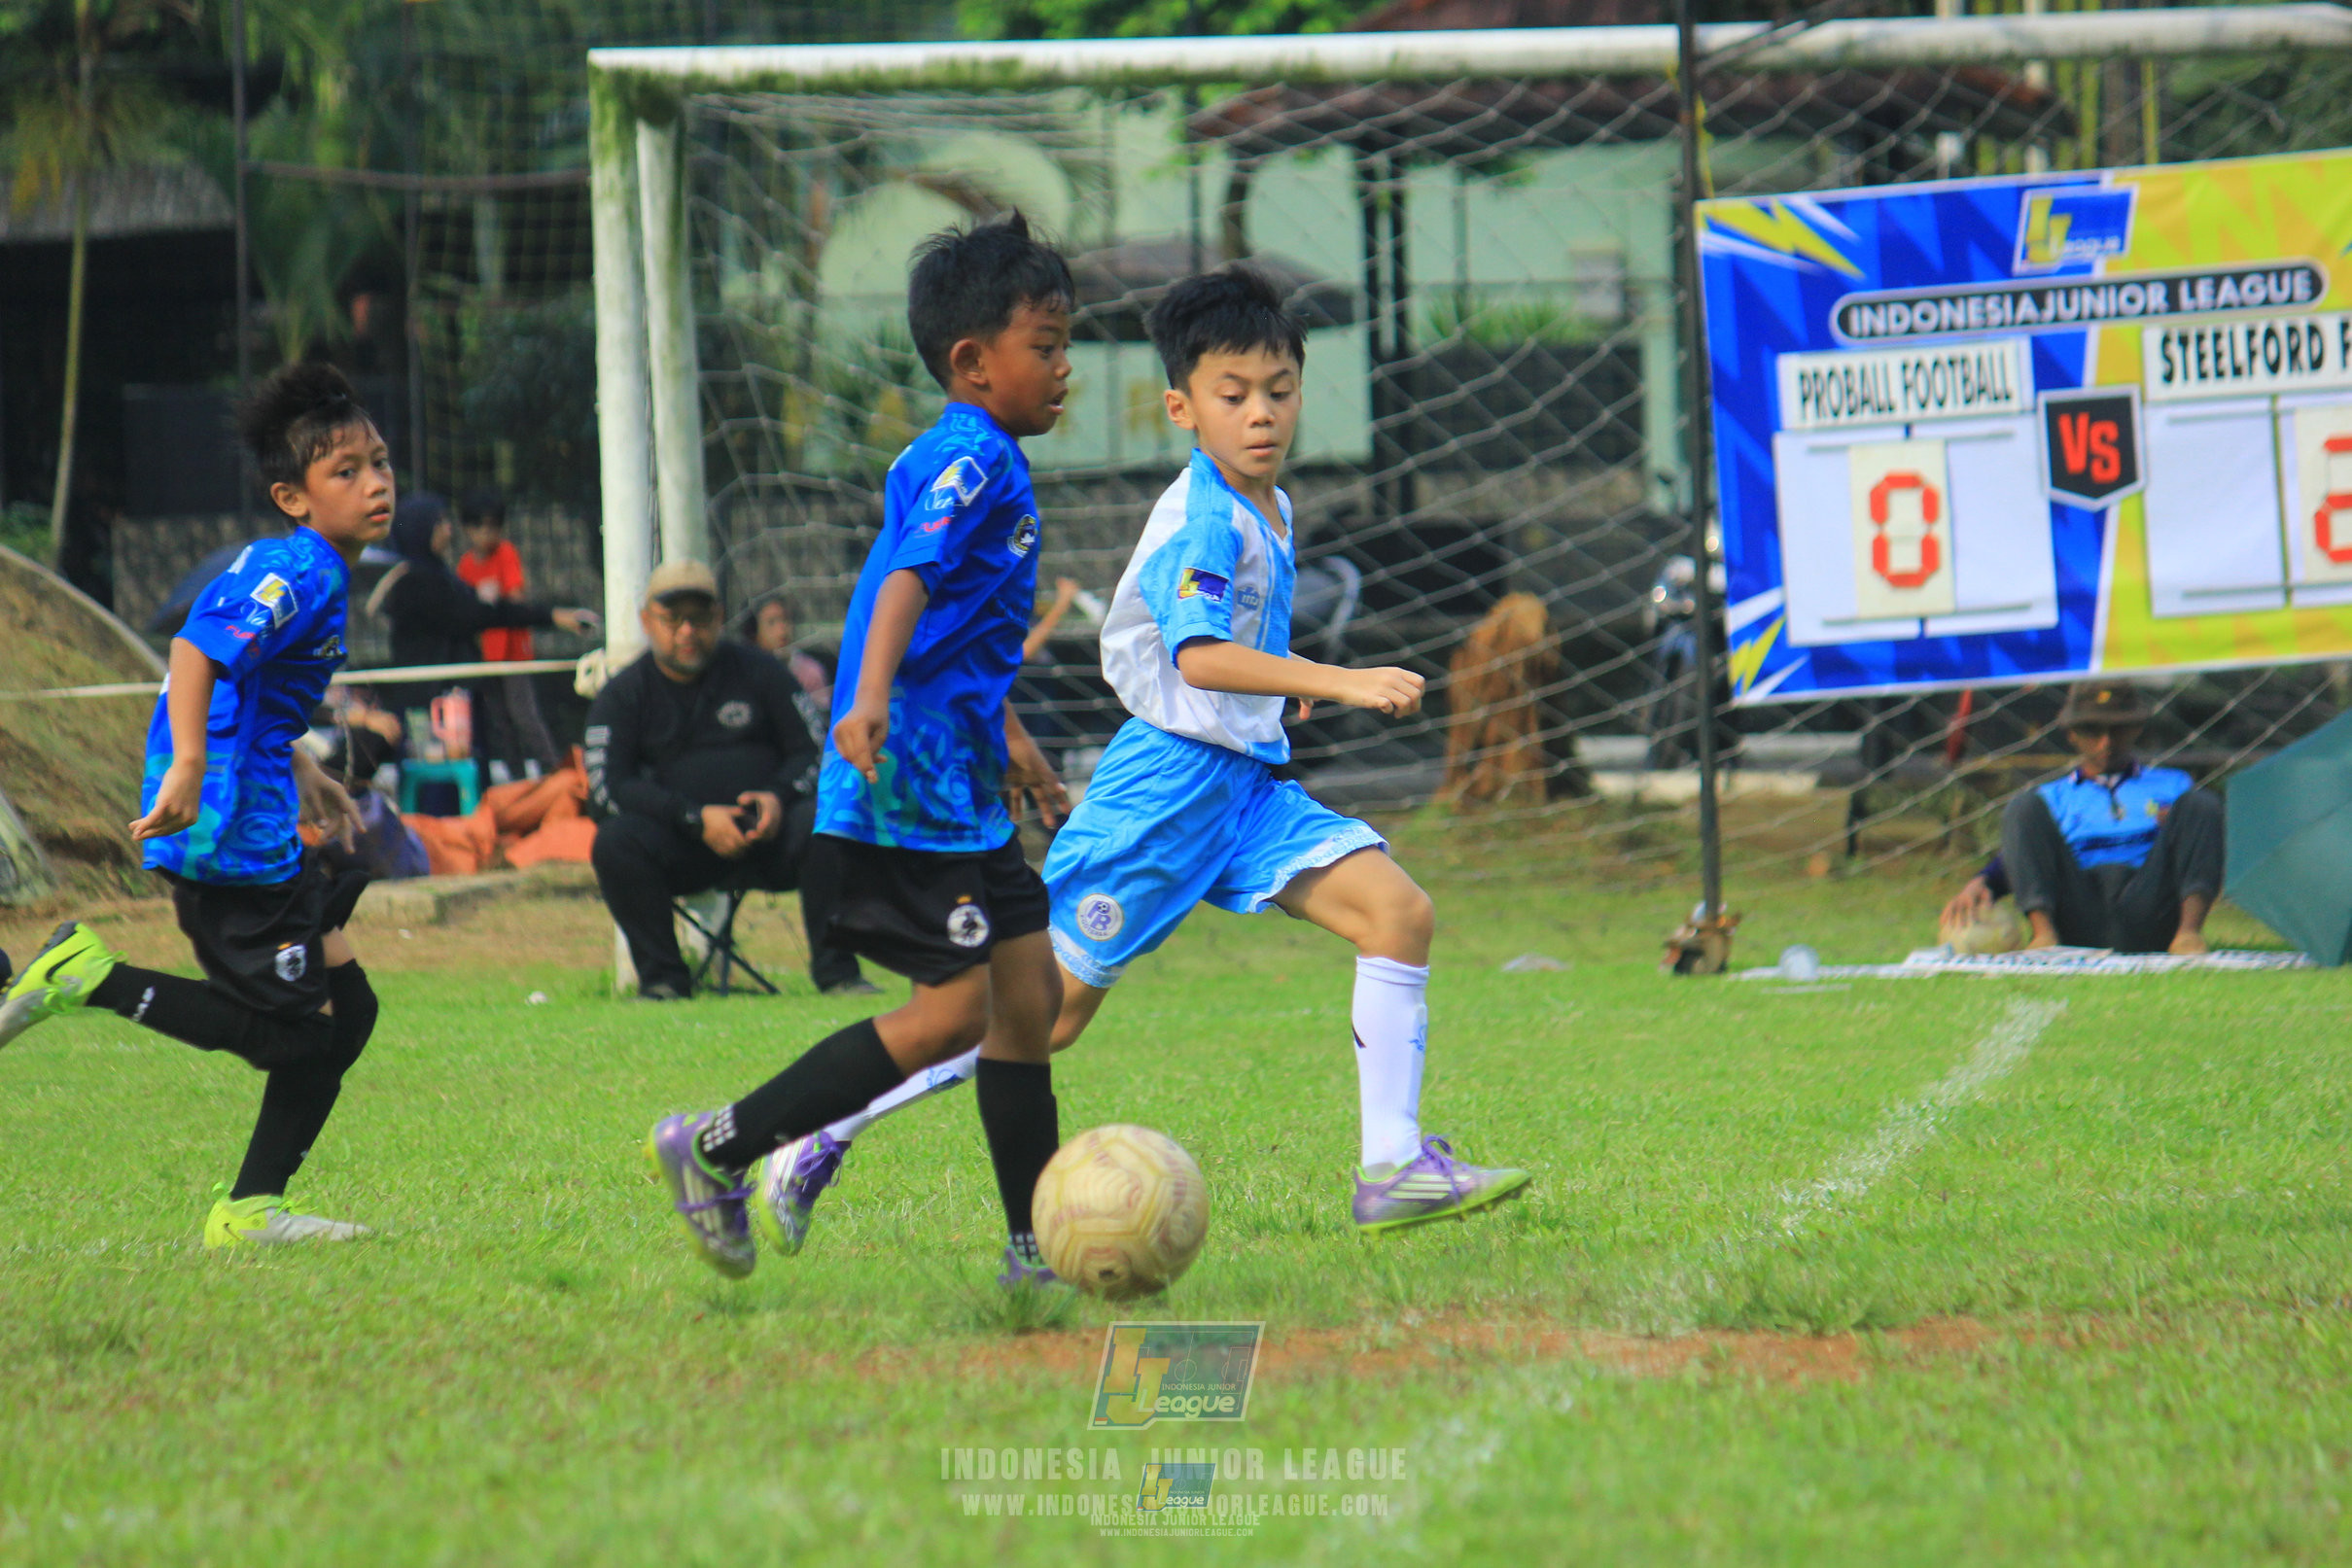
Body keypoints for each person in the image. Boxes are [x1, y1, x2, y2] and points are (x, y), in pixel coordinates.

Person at [749, 264, 1530, 1255]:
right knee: (1044, 1016)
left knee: (1397, 911)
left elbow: (1219, 659)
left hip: (1242, 788)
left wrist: (1278, 690)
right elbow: (1199, 654)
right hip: (1163, 789)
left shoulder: (1269, 504)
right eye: (1231, 394)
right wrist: (1338, 678)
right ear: (1181, 406)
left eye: (1279, 392)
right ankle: (818, 1136)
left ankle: (1390, 1166)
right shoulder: (1205, 512)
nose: (1260, 415)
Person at [643, 213, 1073, 1288]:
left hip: (965, 773)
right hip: (910, 780)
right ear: (972, 361)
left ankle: (1033, 1251)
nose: (1065, 367)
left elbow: (960, 642)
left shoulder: (987, 457)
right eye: (1048, 345)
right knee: (952, 1011)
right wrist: (867, 695)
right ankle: (718, 1144)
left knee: (1030, 1005)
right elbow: (900, 583)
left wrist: (1016, 745)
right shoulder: (968, 456)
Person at [0, 364, 392, 1246]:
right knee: (294, 1036)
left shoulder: (314, 568)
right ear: (292, 496)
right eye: (348, 471)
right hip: (227, 830)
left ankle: (251, 1207)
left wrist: (302, 766)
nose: (375, 483)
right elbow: (193, 652)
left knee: (349, 1009)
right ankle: (92, 978)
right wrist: (185, 766)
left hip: (255, 811)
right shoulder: (298, 572)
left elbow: (248, 688)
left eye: (380, 462)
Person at [584, 561, 870, 998]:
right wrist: (693, 818)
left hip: (770, 838)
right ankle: (663, 981)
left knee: (828, 814)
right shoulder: (624, 694)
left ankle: (839, 974)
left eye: (698, 619)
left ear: (718, 618)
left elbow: (814, 750)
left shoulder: (762, 671)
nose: (686, 632)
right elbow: (607, 790)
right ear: (647, 622)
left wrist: (778, 797)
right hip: (682, 845)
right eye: (672, 619)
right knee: (614, 841)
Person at [1941, 680, 2222, 955]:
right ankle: (2044, 935)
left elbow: (2199, 846)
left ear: (2136, 728)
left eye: (2118, 730)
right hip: (2078, 911)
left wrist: (2177, 829)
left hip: (2151, 908)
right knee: (2022, 807)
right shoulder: (2053, 797)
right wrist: (1983, 881)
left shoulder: (2173, 786)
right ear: (2071, 734)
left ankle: (2188, 933)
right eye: (2092, 731)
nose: (2106, 742)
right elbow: (2027, 853)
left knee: (2202, 804)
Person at [369, 491, 594, 726]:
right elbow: (478, 614)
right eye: (440, 523)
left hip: (453, 697)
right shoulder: (416, 582)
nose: (449, 530)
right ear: (421, 529)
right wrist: (552, 616)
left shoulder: (439, 575)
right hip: (432, 704)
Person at [455, 489, 563, 781]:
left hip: (513, 653)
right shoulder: (465, 565)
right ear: (468, 529)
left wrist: (494, 602)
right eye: (480, 526)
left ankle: (553, 772)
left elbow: (517, 598)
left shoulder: (506, 554)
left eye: (493, 526)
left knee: (525, 717)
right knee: (501, 723)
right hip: (485, 656)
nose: (486, 534)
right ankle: (518, 781)